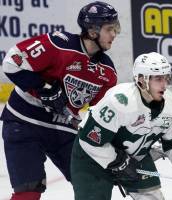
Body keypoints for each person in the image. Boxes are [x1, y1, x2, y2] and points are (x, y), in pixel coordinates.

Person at [0, 1, 120, 199]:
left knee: (94, 186)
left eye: (115, 29)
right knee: (28, 193)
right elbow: (12, 62)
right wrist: (44, 88)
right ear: (92, 31)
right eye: (109, 29)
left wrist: (114, 147)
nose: (114, 34)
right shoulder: (58, 44)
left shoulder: (107, 72)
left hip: (63, 129)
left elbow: (101, 117)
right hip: (24, 122)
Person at [70, 52, 172, 200]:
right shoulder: (120, 102)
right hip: (92, 158)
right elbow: (89, 140)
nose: (164, 85)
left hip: (135, 158)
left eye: (166, 78)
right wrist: (119, 162)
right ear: (141, 79)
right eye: (158, 79)